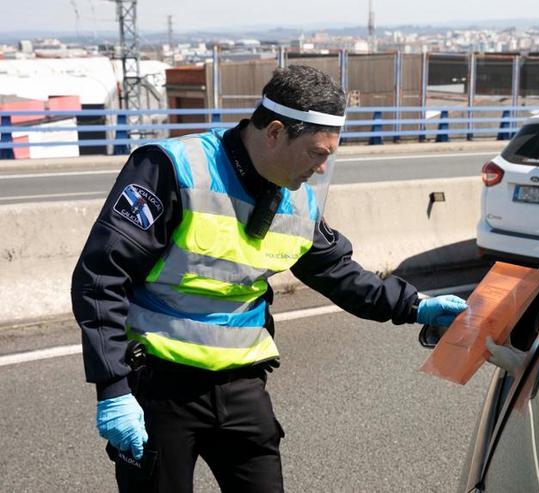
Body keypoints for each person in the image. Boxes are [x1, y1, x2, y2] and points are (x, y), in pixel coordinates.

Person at [71, 64, 468, 492]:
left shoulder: (296, 200)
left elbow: (335, 271)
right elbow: (100, 277)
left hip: (242, 388)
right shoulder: (174, 169)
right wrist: (113, 388)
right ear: (275, 132)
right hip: (158, 386)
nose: (320, 169)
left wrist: (415, 305)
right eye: (317, 152)